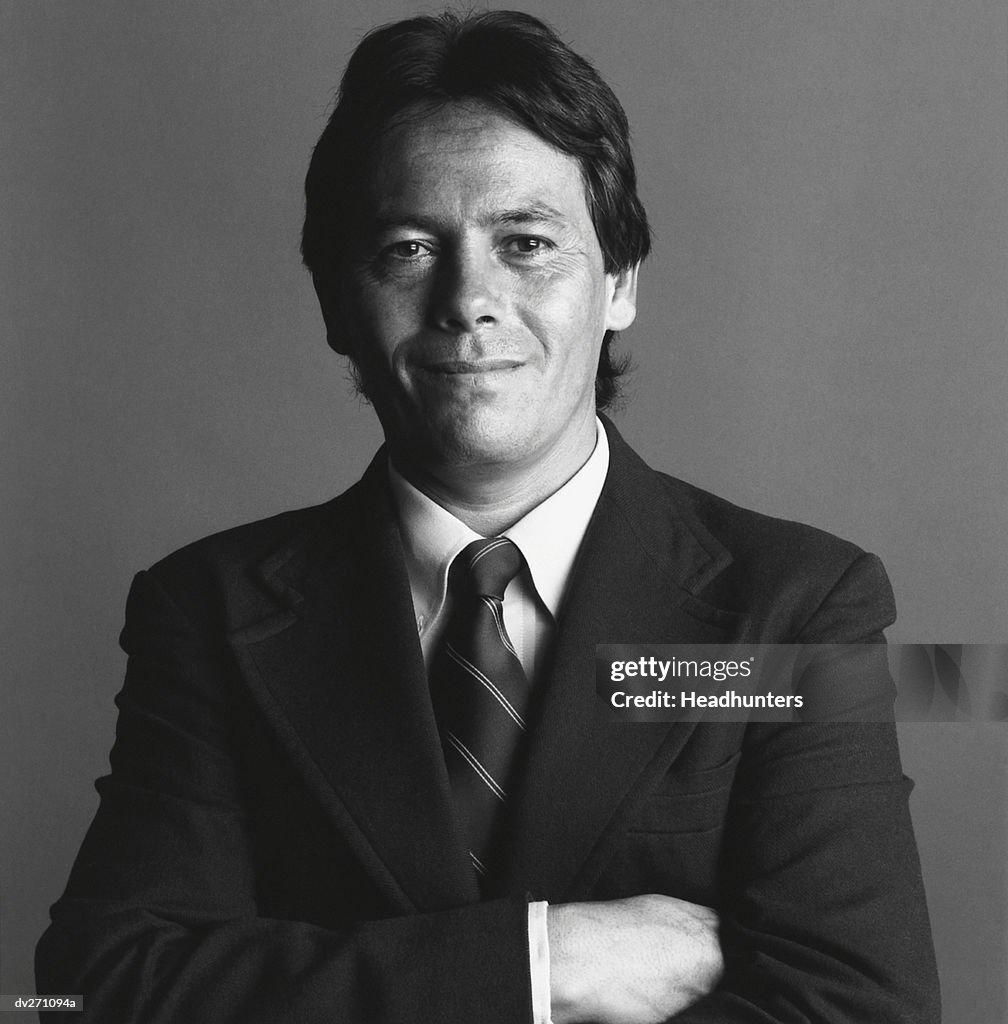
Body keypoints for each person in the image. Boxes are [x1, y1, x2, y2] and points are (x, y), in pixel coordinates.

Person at [37, 10, 940, 1023]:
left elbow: (863, 1006)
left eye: (526, 242)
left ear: (622, 282)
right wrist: (538, 963)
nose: (469, 298)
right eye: (410, 247)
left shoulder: (795, 606)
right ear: (338, 301)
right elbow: (87, 993)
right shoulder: (207, 611)